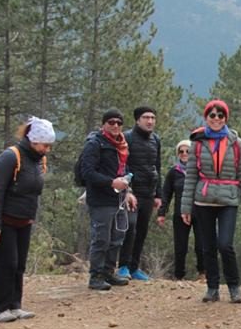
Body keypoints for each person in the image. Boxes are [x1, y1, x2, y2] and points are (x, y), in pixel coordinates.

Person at [181, 99, 241, 303]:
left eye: (220, 115)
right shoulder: (197, 143)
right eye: (212, 115)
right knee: (207, 246)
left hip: (228, 200)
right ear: (206, 117)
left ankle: (234, 287)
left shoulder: (236, 144)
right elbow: (190, 177)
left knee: (225, 244)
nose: (216, 119)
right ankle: (212, 288)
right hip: (203, 200)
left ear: (226, 118)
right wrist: (185, 207)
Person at [0, 117, 55, 322]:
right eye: (45, 145)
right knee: (7, 263)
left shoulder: (38, 160)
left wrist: (31, 217)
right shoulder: (10, 157)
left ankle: (15, 306)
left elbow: (32, 193)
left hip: (23, 220)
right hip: (3, 220)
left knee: (19, 265)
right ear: (33, 140)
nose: (47, 149)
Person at [81, 108, 137, 291]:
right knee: (101, 238)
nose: (115, 125)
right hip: (100, 198)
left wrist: (127, 189)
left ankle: (108, 272)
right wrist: (110, 182)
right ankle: (95, 276)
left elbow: (124, 169)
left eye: (119, 123)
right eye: (111, 122)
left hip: (119, 197)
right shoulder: (94, 144)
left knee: (117, 237)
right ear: (103, 124)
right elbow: (87, 172)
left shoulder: (122, 145)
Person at [117, 106, 162, 282]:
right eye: (145, 117)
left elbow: (157, 166)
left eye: (152, 117)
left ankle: (134, 267)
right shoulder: (127, 138)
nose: (150, 121)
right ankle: (123, 266)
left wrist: (158, 194)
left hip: (149, 193)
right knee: (130, 228)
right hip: (131, 193)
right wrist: (127, 190)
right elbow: (122, 165)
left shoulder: (156, 140)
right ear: (137, 120)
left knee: (142, 230)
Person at [157, 139, 204, 280]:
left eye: (187, 151)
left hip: (200, 212)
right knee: (180, 246)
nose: (184, 154)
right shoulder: (173, 172)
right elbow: (166, 194)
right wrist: (161, 213)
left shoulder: (201, 170)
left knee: (201, 245)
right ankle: (179, 276)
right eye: (181, 151)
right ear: (178, 154)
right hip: (180, 213)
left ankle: (203, 273)